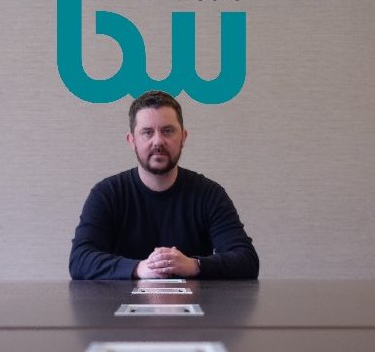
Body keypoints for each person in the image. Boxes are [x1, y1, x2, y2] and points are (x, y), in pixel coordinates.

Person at [69, 90, 259, 280]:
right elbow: (79, 260)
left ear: (183, 137)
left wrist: (195, 265)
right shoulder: (107, 194)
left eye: (168, 131)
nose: (158, 141)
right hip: (122, 298)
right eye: (147, 132)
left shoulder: (209, 194)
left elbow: (247, 260)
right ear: (132, 140)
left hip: (196, 299)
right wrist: (138, 268)